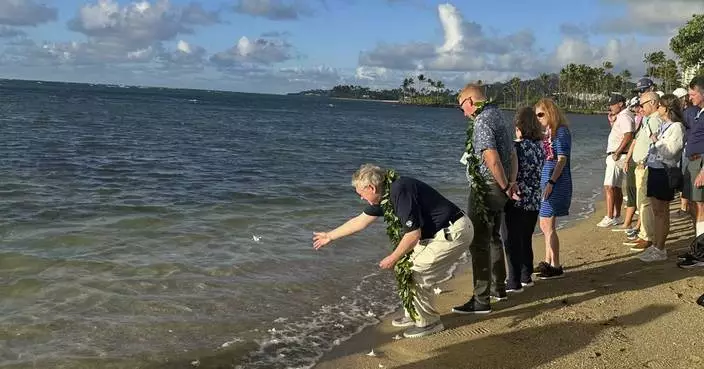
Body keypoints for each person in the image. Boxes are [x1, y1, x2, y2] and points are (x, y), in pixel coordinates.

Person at [312, 164, 473, 338]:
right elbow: (360, 221)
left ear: (371, 187)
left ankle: (429, 323)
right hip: (438, 234)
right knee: (404, 268)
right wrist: (330, 236)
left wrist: (393, 257)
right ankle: (414, 314)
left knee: (414, 271)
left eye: (361, 193)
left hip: (453, 231)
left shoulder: (400, 190)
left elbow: (413, 234)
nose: (361, 198)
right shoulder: (385, 193)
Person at [452, 83, 516, 314]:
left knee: (478, 242)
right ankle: (499, 287)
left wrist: (504, 184)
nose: (463, 114)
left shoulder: (481, 121)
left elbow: (491, 157)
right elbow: (512, 153)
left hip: (486, 188)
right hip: (499, 186)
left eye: (462, 108)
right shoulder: (499, 115)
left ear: (470, 101)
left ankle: (481, 300)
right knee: (493, 237)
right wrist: (511, 182)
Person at [639, 94, 685, 262]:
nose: (657, 108)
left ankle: (660, 248)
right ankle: (656, 246)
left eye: (660, 106)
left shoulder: (677, 127)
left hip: (664, 172)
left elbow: (671, 152)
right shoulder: (665, 126)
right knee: (656, 211)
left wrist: (656, 141)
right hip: (654, 169)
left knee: (662, 212)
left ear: (667, 108)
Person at [504, 107, 545, 292]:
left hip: (518, 197)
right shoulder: (540, 147)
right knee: (526, 237)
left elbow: (510, 169)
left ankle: (513, 280)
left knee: (511, 239)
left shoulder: (517, 147)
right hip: (534, 198)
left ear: (519, 126)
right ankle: (526, 275)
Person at [534, 98, 572, 279]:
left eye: (541, 114)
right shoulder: (548, 132)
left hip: (556, 182)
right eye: (536, 116)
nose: (538, 118)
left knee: (548, 224)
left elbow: (562, 159)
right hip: (546, 180)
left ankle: (555, 265)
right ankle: (548, 260)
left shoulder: (561, 132)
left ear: (550, 113)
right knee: (544, 223)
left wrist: (551, 182)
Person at [623, 92, 662, 252]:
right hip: (641, 165)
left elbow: (655, 143)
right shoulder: (648, 120)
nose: (641, 107)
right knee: (642, 202)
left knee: (645, 203)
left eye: (643, 104)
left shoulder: (654, 120)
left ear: (652, 102)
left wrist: (645, 161)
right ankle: (644, 234)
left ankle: (647, 237)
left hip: (646, 165)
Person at [597, 94, 634, 228]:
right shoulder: (623, 116)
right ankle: (616, 215)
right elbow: (621, 133)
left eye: (612, 104)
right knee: (616, 187)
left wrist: (617, 152)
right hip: (619, 154)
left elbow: (628, 134)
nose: (610, 107)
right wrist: (612, 123)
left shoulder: (624, 116)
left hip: (618, 155)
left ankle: (610, 216)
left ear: (620, 103)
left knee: (609, 186)